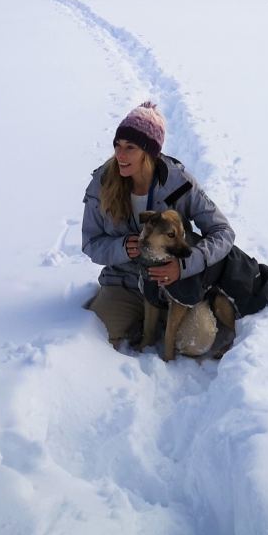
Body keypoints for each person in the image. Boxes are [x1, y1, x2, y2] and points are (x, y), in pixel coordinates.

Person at [81, 100, 234, 350]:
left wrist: (184, 265)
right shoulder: (101, 183)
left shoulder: (180, 183)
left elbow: (223, 232)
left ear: (148, 152)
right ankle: (140, 320)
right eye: (117, 145)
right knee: (93, 340)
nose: (120, 155)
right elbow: (90, 243)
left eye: (130, 147)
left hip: (174, 284)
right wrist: (122, 248)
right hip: (125, 282)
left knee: (197, 342)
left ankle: (194, 310)